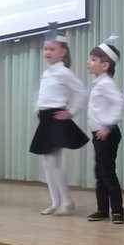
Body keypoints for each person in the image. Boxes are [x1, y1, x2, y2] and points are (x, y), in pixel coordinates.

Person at [29, 22, 88, 215]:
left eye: (52, 49)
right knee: (47, 163)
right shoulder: (47, 73)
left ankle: (67, 201)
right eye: (46, 48)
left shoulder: (64, 72)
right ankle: (56, 202)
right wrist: (37, 109)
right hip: (46, 119)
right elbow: (42, 94)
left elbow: (81, 92)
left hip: (56, 119)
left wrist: (71, 112)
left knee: (53, 162)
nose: (47, 52)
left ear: (63, 52)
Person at [86, 36, 124, 224]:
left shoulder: (106, 84)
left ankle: (117, 211)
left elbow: (120, 104)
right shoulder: (99, 83)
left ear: (105, 66)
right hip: (99, 135)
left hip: (107, 134)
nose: (89, 62)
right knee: (100, 173)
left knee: (107, 173)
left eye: (93, 59)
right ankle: (102, 209)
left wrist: (108, 126)